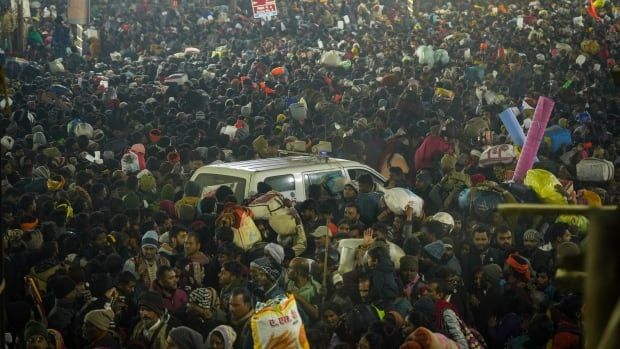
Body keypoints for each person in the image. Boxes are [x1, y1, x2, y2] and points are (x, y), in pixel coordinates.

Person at [123, 230, 170, 295]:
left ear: (156, 249)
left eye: (151, 249)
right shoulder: (131, 263)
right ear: (141, 248)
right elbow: (125, 286)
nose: (148, 252)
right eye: (146, 248)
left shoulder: (164, 262)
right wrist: (137, 275)